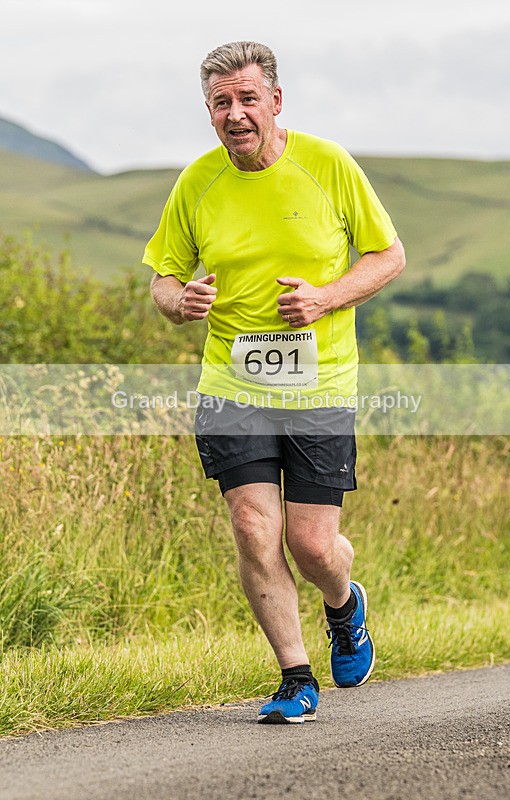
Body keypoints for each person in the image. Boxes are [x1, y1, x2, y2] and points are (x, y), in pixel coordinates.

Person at [143, 41, 405, 724]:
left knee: (311, 543)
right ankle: (295, 677)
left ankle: (344, 607)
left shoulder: (326, 165)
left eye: (246, 98)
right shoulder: (196, 182)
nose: (234, 113)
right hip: (232, 383)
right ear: (208, 111)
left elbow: (387, 255)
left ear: (275, 101)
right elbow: (163, 279)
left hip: (318, 387)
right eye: (221, 102)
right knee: (252, 526)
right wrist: (179, 302)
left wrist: (325, 298)